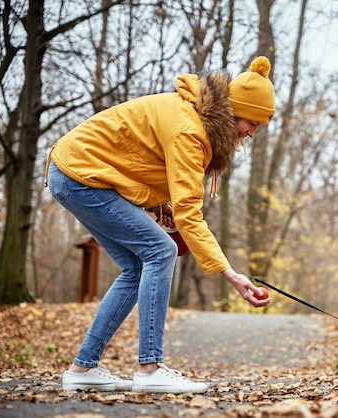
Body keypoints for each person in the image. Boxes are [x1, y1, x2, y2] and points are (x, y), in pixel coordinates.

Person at [45, 56, 276, 394]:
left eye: (259, 126)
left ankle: (83, 368)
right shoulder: (190, 131)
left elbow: (135, 157)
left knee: (136, 266)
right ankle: (150, 367)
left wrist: (157, 201)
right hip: (80, 176)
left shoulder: (195, 117)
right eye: (251, 123)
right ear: (232, 111)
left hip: (77, 173)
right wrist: (230, 274)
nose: (252, 133)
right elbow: (189, 213)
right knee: (160, 249)